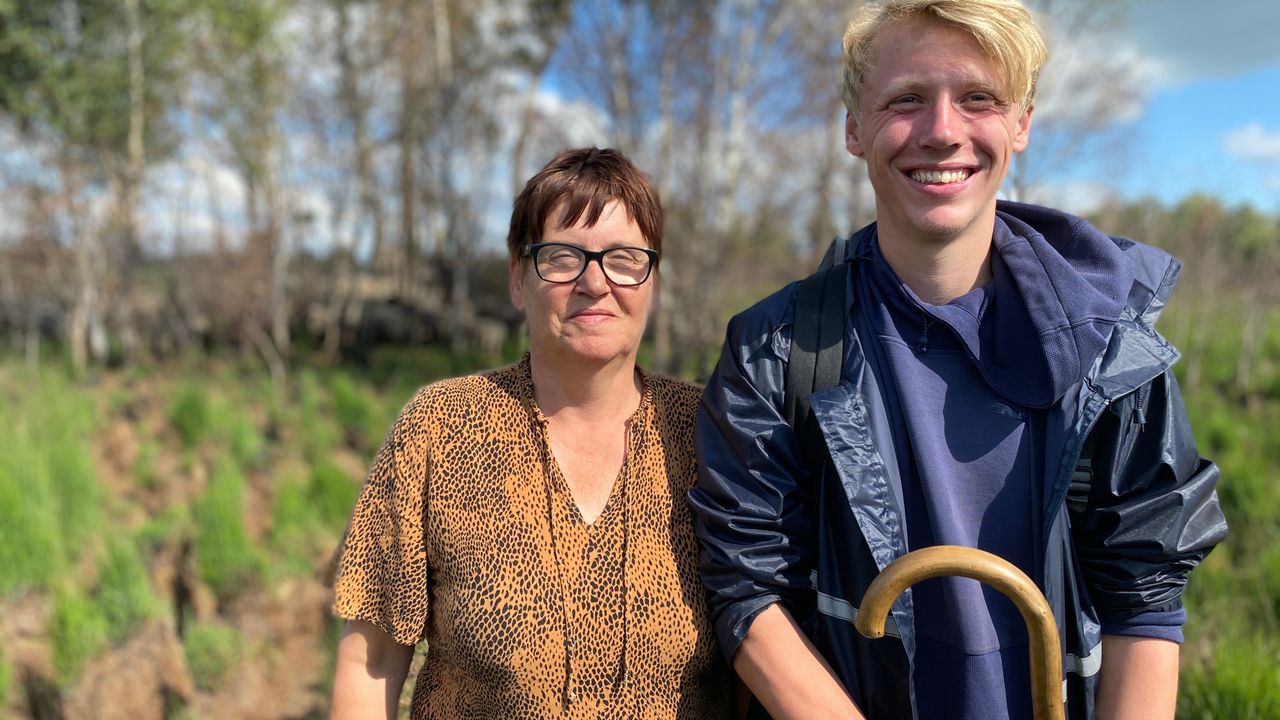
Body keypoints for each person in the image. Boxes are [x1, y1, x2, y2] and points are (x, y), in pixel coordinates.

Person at [689, 1, 1228, 719]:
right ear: (855, 128)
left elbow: (1147, 594)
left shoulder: (1111, 342)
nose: (942, 132)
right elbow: (746, 588)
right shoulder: (773, 349)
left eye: (978, 98)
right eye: (906, 99)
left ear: (1021, 125)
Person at [327, 147, 730, 719]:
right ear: (519, 280)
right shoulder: (439, 430)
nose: (595, 282)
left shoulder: (711, 436)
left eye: (624, 258)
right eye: (563, 256)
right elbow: (370, 666)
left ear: (654, 283)